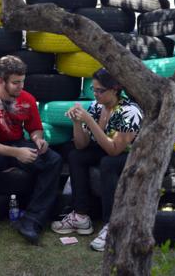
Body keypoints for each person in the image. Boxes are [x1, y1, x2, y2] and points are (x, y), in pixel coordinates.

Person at [0, 55, 62, 252]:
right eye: (16, 82)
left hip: (17, 143)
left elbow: (35, 129)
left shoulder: (27, 99)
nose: (21, 86)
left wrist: (38, 140)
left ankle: (32, 220)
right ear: (0, 81)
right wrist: (16, 152)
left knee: (53, 160)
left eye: (22, 81)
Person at [51, 68, 142, 252]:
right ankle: (81, 215)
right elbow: (81, 145)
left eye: (100, 90)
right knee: (76, 156)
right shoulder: (96, 106)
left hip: (131, 155)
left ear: (115, 89)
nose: (96, 94)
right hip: (106, 148)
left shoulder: (128, 111)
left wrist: (90, 122)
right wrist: (77, 122)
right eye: (94, 89)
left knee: (108, 163)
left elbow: (115, 150)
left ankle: (112, 226)